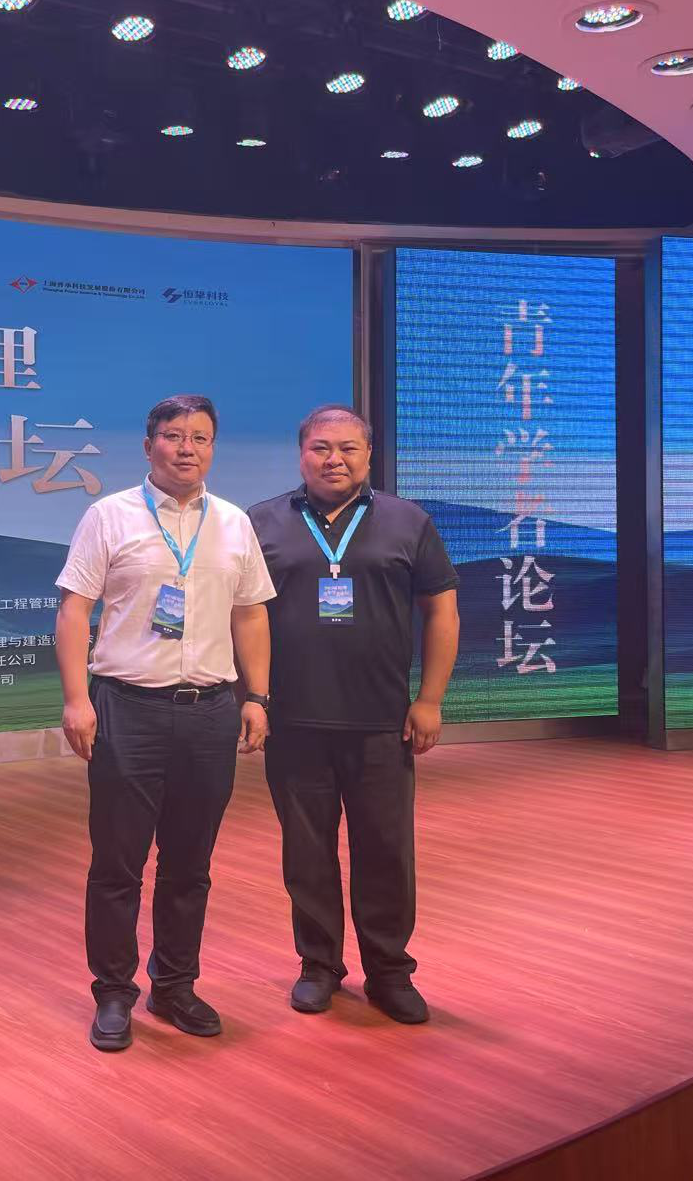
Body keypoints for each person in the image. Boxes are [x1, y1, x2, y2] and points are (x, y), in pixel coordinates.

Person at [55, 394, 275, 1052]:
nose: (188, 448)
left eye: (201, 437)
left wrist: (258, 696)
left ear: (213, 448)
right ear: (149, 444)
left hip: (210, 713)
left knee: (190, 864)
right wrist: (76, 700)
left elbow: (251, 614)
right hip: (128, 708)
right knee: (118, 863)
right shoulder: (109, 515)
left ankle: (175, 985)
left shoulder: (233, 522)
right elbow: (74, 610)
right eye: (175, 436)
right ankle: (113, 992)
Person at [247, 404, 459, 1024]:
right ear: (301, 454)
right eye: (320, 448)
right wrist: (254, 697)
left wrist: (430, 699)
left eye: (347, 448)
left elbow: (441, 612)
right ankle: (319, 966)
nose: (333, 459)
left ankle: (390, 972)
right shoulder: (261, 523)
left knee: (386, 851)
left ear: (368, 454)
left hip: (382, 721)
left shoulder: (408, 521)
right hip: (294, 720)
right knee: (306, 853)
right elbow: (243, 616)